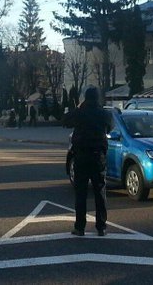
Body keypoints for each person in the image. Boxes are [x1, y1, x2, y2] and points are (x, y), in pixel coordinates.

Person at [63, 86, 111, 237]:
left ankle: (80, 227)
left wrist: (77, 107)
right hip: (98, 156)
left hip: (81, 156)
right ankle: (101, 227)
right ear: (97, 98)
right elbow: (110, 128)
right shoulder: (104, 113)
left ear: (85, 97)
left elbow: (65, 120)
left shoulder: (80, 112)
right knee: (100, 191)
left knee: (81, 193)